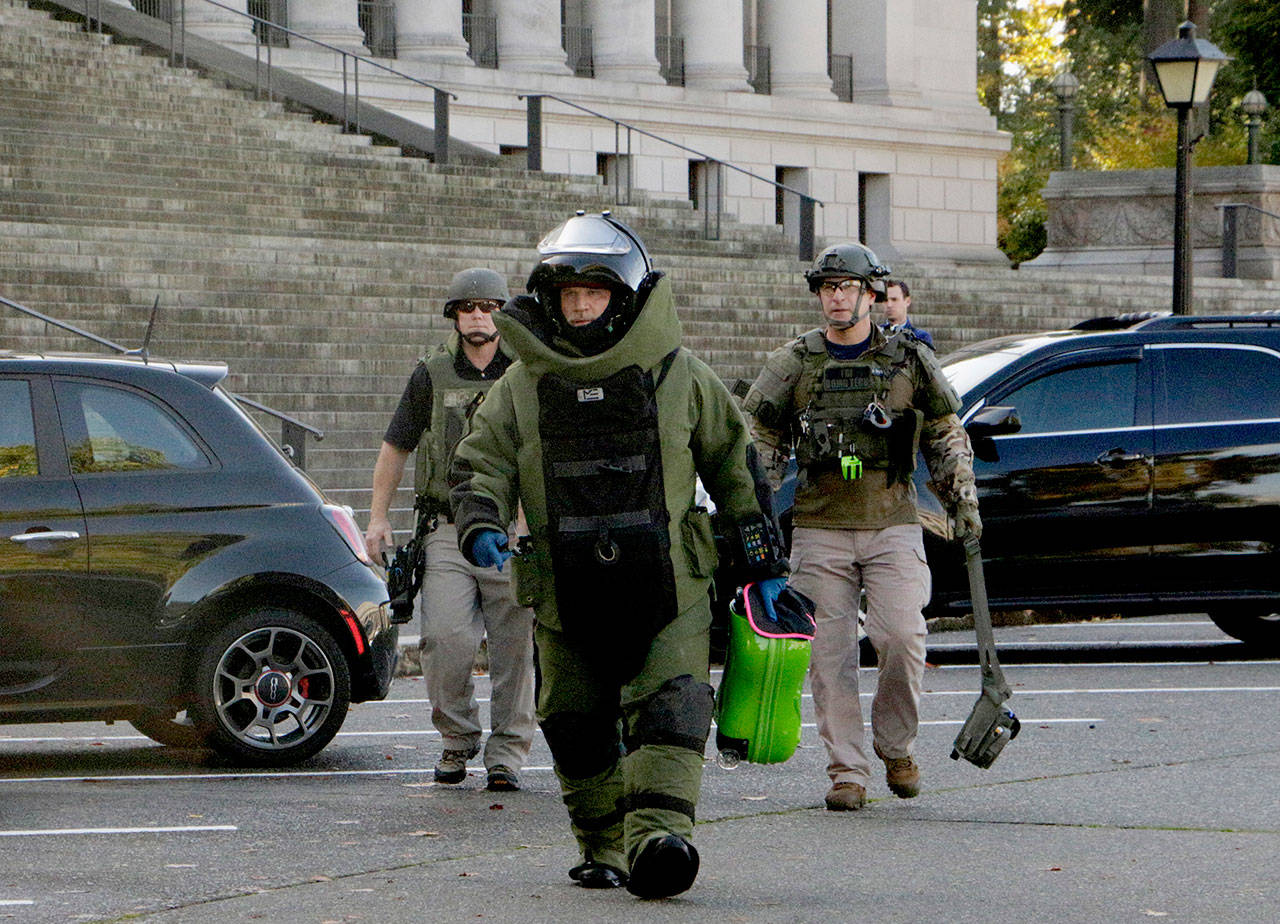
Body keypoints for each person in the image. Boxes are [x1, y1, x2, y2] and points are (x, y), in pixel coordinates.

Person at [448, 212, 788, 899]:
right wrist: (480, 520)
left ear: (624, 295)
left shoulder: (681, 375)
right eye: (568, 293)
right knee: (574, 723)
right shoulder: (522, 385)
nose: (579, 306)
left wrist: (762, 561)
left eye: (594, 292)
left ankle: (660, 840)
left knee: (671, 709)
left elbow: (734, 465)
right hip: (564, 588)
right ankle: (603, 845)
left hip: (672, 582)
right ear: (549, 297)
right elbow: (478, 463)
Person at [742, 242, 980, 812]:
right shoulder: (794, 362)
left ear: (871, 294)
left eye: (847, 287)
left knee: (901, 636)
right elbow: (760, 441)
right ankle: (847, 770)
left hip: (892, 521)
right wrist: (750, 511)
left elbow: (945, 433)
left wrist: (961, 502)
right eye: (828, 288)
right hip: (820, 527)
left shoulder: (908, 359)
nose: (837, 297)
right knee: (828, 657)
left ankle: (896, 747)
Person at [363, 267, 536, 792]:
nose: (478, 316)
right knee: (445, 637)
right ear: (454, 316)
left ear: (503, 313)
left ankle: (507, 752)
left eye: (488, 307)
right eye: (468, 308)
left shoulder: (528, 371)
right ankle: (457, 739)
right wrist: (376, 517)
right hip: (446, 524)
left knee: (515, 645)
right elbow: (397, 446)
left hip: (511, 526)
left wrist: (529, 527)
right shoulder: (432, 374)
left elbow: (542, 452)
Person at [881, 279, 934, 349]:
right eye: (885, 300)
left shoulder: (920, 337)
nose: (889, 305)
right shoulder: (876, 334)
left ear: (907, 301)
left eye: (894, 299)